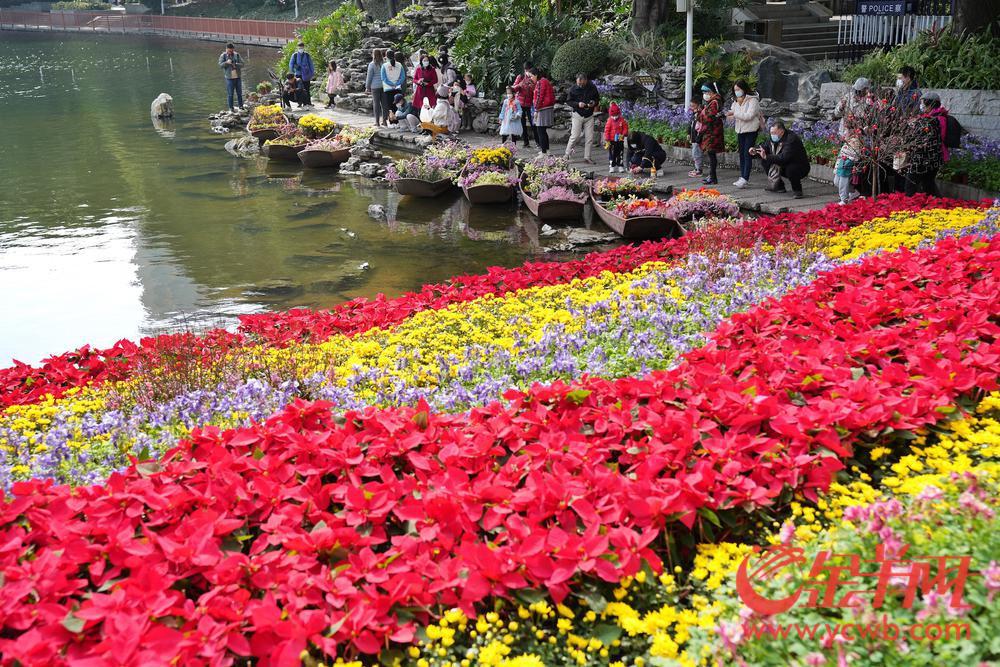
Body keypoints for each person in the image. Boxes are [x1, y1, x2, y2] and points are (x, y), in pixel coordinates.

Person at [900, 92, 947, 196]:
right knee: (928, 183)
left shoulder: (929, 120)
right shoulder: (932, 118)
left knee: (911, 183)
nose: (921, 106)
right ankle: (937, 203)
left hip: (923, 158)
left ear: (930, 104)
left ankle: (908, 205)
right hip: (932, 158)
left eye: (922, 103)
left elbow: (917, 138)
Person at [751, 120, 811, 198]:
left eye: (774, 133)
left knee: (791, 169)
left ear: (782, 132)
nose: (772, 135)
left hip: (799, 166)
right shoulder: (774, 137)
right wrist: (755, 150)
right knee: (765, 162)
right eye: (771, 133)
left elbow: (784, 157)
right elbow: (765, 147)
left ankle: (797, 190)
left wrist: (766, 156)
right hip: (784, 163)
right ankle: (778, 186)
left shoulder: (791, 139)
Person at [726, 79, 761, 189]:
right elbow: (733, 116)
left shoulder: (753, 101)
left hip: (751, 130)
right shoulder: (736, 101)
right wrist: (728, 115)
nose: (737, 92)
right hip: (740, 130)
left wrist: (735, 114)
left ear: (744, 89)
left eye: (738, 89)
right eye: (735, 90)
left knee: (747, 154)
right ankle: (742, 177)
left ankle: (745, 178)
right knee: (741, 154)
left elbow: (749, 116)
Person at [564, 72, 600, 165]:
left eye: (581, 83)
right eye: (578, 83)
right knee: (575, 136)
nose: (579, 85)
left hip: (589, 115)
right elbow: (568, 101)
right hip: (577, 115)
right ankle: (566, 155)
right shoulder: (573, 88)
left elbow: (597, 99)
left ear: (586, 80)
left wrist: (593, 103)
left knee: (589, 138)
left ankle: (587, 157)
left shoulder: (592, 87)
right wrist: (577, 104)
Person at [697, 82, 725, 185]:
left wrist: (700, 115)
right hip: (712, 131)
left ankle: (713, 177)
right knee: (711, 155)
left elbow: (708, 118)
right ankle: (712, 176)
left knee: (711, 154)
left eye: (706, 92)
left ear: (711, 91)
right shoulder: (714, 101)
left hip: (713, 133)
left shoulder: (714, 102)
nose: (704, 94)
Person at [531, 67, 555, 155]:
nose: (531, 78)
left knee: (540, 130)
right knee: (542, 130)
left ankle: (544, 152)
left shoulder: (541, 82)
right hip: (545, 107)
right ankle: (546, 150)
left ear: (536, 75)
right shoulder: (542, 81)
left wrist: (536, 109)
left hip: (543, 108)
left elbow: (539, 96)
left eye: (531, 76)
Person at [513, 63, 536, 149]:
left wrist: (532, 85)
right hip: (520, 103)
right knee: (522, 123)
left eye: (528, 70)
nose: (527, 72)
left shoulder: (534, 77)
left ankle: (538, 142)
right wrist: (519, 85)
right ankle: (526, 142)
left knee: (533, 123)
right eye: (525, 70)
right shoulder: (520, 77)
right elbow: (514, 88)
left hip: (530, 103)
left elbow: (536, 90)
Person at [833, 136, 861, 205]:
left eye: (854, 142)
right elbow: (839, 158)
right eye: (851, 141)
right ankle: (853, 192)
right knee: (836, 182)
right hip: (840, 167)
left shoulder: (856, 151)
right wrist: (836, 168)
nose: (852, 143)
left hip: (846, 170)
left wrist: (848, 157)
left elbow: (856, 158)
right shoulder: (844, 148)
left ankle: (844, 199)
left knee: (843, 184)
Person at [380, 51, 406, 124]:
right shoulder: (399, 64)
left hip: (388, 88)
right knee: (398, 106)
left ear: (386, 56)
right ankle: (399, 123)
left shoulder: (384, 65)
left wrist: (391, 84)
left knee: (390, 107)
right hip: (398, 88)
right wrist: (397, 83)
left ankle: (392, 122)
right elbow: (403, 77)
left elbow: (383, 78)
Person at [603, 102, 628, 174]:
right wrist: (607, 139)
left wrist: (623, 134)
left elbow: (625, 128)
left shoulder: (622, 120)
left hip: (620, 140)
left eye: (616, 115)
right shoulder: (609, 121)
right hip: (612, 140)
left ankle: (620, 165)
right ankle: (612, 166)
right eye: (613, 116)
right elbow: (606, 130)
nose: (615, 117)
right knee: (612, 154)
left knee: (620, 153)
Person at [218, 43, 243, 111]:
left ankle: (241, 106)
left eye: (231, 51)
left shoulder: (237, 55)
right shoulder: (223, 55)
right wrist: (226, 62)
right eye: (228, 51)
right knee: (230, 94)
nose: (230, 52)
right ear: (226, 49)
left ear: (233, 49)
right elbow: (220, 65)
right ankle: (231, 108)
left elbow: (243, 64)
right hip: (229, 78)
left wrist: (236, 64)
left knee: (239, 93)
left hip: (237, 77)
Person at [289, 42, 315, 107]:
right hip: (298, 75)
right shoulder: (294, 55)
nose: (301, 49)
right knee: (299, 89)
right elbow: (291, 64)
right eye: (300, 48)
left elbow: (311, 64)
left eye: (302, 48)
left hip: (306, 75)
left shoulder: (307, 55)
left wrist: (312, 74)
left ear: (304, 47)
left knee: (307, 89)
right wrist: (292, 72)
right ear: (298, 48)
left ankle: (308, 102)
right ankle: (300, 102)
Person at [365, 49, 385, 126]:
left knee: (376, 104)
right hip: (383, 86)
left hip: (375, 86)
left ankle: (377, 122)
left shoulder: (372, 64)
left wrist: (367, 87)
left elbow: (369, 77)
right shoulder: (384, 63)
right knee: (384, 104)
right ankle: (384, 121)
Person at [687, 98, 704, 178]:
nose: (691, 107)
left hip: (698, 137)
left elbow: (701, 127)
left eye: (693, 106)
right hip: (693, 137)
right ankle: (696, 168)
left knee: (697, 153)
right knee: (694, 153)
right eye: (691, 106)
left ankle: (699, 170)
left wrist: (698, 137)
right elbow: (690, 124)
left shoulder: (700, 114)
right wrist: (688, 133)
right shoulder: (694, 114)